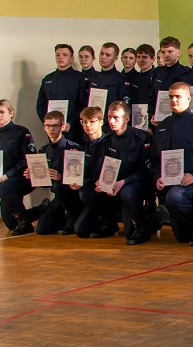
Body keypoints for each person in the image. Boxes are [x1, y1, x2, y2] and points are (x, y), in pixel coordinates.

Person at [150, 82, 193, 246]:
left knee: (175, 196)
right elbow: (154, 159)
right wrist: (158, 176)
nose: (174, 100)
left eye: (178, 97)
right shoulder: (162, 127)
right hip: (170, 184)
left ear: (189, 99)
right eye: (171, 97)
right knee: (182, 237)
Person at [90, 101, 154, 245]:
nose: (111, 121)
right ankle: (109, 221)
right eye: (109, 117)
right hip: (117, 183)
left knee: (127, 193)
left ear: (126, 119)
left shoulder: (141, 138)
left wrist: (124, 182)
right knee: (90, 191)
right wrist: (103, 180)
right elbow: (105, 165)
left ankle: (142, 226)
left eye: (116, 117)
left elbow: (146, 170)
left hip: (138, 182)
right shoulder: (107, 140)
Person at [0, 99, 37, 235]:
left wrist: (8, 175)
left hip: (22, 177)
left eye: (2, 112)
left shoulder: (21, 132)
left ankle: (26, 223)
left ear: (11, 113)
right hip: (5, 181)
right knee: (11, 224)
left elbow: (27, 159)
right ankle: (40, 210)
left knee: (3, 190)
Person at [26, 110, 83, 235]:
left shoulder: (73, 148)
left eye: (55, 126)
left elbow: (78, 179)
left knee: (58, 186)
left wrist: (60, 177)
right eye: (48, 126)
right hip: (58, 198)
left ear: (62, 127)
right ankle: (51, 211)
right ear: (44, 127)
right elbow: (45, 185)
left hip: (73, 197)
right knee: (42, 229)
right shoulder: (44, 150)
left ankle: (72, 217)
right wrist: (34, 176)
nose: (51, 129)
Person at [70, 106, 110, 238]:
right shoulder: (85, 145)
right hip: (91, 190)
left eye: (92, 121)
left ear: (101, 122)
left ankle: (108, 221)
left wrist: (83, 182)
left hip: (105, 190)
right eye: (84, 122)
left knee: (85, 192)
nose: (87, 125)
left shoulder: (108, 143)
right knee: (80, 231)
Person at [36, 43, 89, 143]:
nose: (60, 57)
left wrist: (70, 123)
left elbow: (83, 105)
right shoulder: (48, 79)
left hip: (73, 130)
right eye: (58, 55)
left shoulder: (80, 78)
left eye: (65, 55)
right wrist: (47, 123)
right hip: (52, 130)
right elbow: (41, 105)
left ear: (71, 58)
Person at [87, 42, 126, 112]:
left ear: (115, 58)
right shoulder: (94, 77)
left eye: (107, 55)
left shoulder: (120, 79)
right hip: (93, 116)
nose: (103, 57)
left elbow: (123, 106)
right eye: (101, 53)